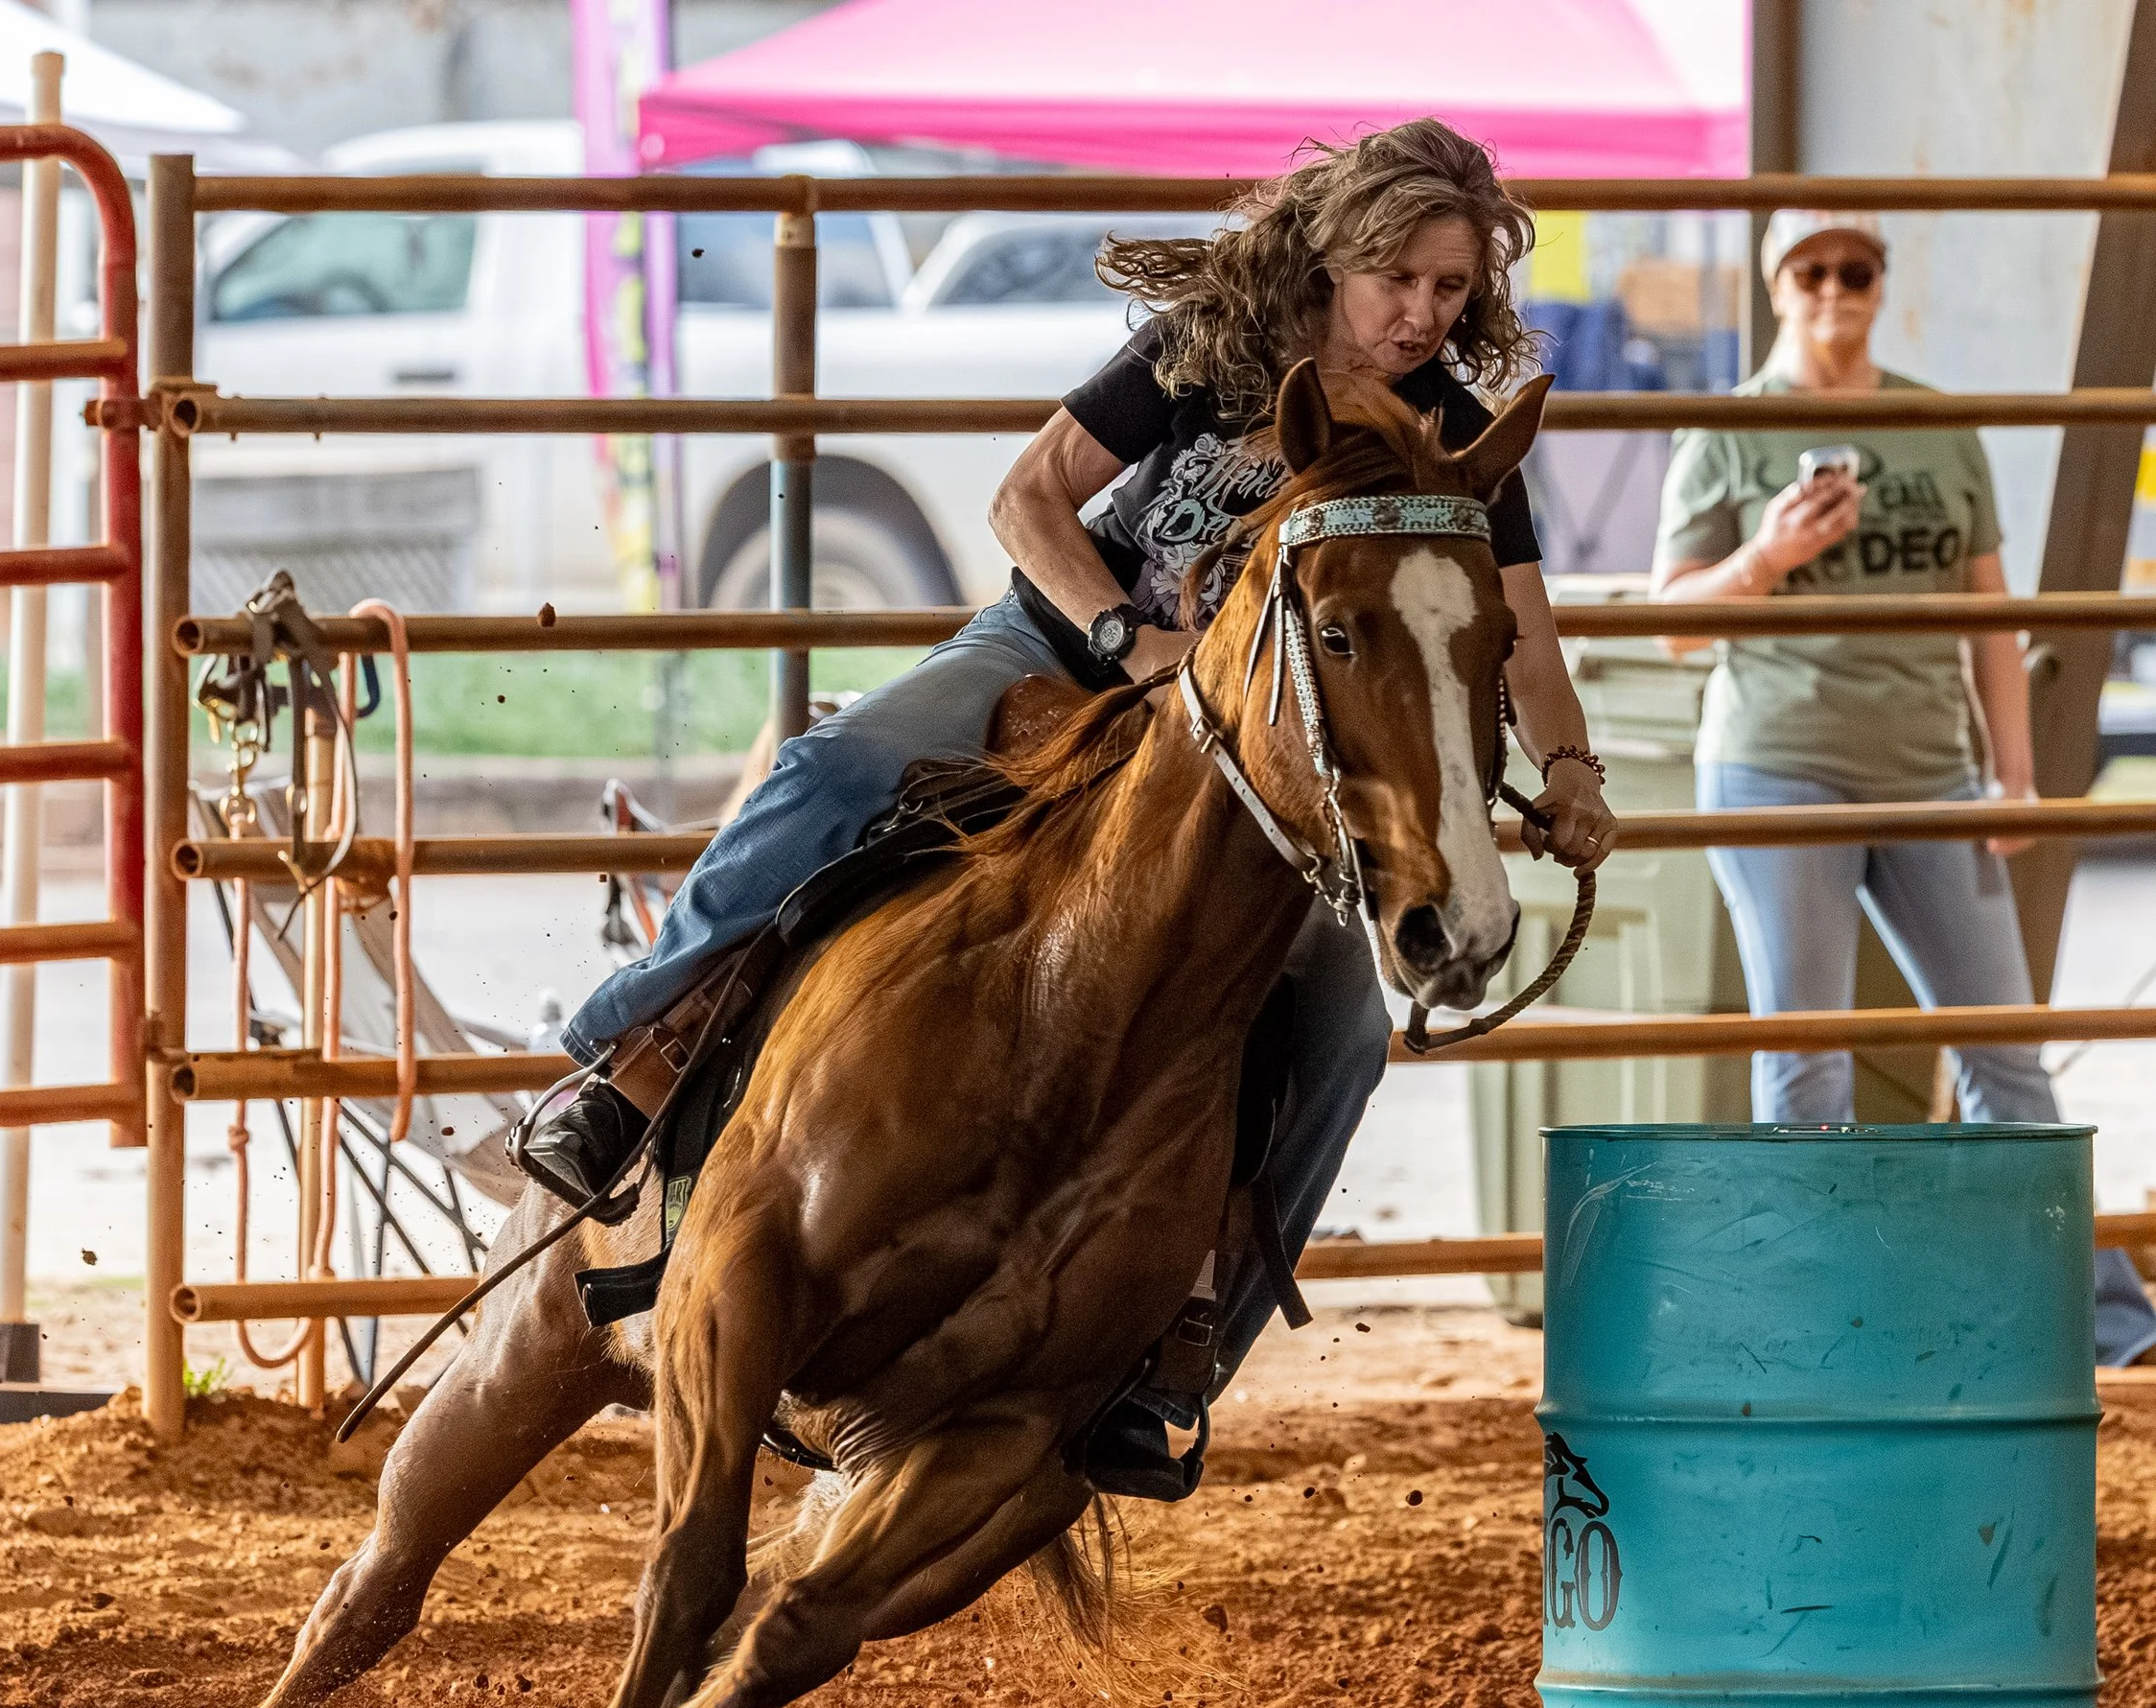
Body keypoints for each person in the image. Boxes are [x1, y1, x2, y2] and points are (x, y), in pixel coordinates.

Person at [529, 118, 1619, 1491]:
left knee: (1341, 1012)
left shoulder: (1451, 438)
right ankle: (622, 1069)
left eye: (1451, 290)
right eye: (1399, 277)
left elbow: (1520, 631)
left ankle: (1179, 1338)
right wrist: (1122, 639)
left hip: (1252, 758)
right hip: (1064, 654)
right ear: (1339, 256)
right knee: (832, 772)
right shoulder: (1211, 351)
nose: (1421, 313)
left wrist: (1570, 772)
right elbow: (1029, 493)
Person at [1652, 207, 2156, 1368]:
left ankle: (2098, 1326)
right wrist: (1765, 558)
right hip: (1776, 766)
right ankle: (1822, 1326)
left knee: (2005, 1049)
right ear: (1779, 285)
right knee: (1806, 1058)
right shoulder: (1728, 435)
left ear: (1881, 284)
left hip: (1936, 773)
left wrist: (2014, 780)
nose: (1836, 286)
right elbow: (1672, 624)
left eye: (1857, 268)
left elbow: (1991, 614)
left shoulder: (1934, 424)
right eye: (1813, 268)